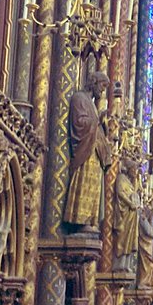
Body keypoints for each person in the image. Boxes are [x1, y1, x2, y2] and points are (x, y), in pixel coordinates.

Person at [62, 71, 112, 230]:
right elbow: (79, 122)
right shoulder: (79, 98)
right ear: (94, 83)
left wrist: (102, 121)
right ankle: (80, 220)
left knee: (94, 188)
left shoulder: (90, 103)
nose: (102, 92)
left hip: (95, 151)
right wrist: (97, 121)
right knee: (84, 183)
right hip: (86, 152)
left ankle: (90, 220)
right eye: (102, 87)